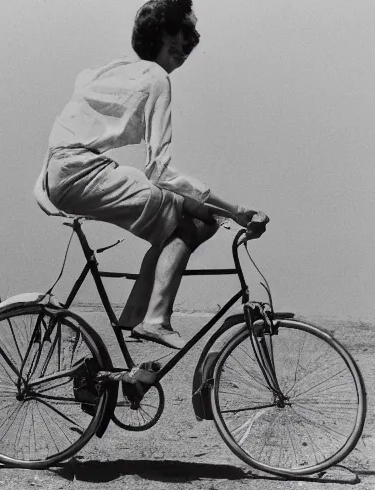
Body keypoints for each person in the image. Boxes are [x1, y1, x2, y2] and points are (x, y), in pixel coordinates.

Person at [42, 0, 268, 350]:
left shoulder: (112, 70)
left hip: (64, 172)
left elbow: (77, 104)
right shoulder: (156, 78)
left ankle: (137, 316)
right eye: (174, 37)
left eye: (186, 39)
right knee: (184, 219)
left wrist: (223, 212)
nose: (182, 46)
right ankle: (155, 320)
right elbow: (159, 171)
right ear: (160, 37)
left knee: (202, 219)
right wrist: (236, 211)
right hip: (82, 171)